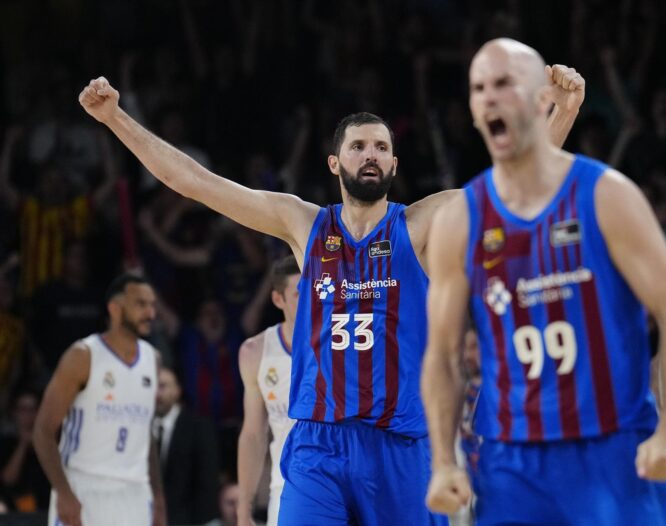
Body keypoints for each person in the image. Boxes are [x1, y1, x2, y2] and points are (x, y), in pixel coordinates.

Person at [77, 64, 583, 525]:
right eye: (359, 147)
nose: (371, 155)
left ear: (394, 163)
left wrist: (563, 112)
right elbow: (193, 182)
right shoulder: (303, 225)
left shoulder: (421, 223)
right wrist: (116, 118)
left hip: (400, 443)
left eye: (381, 148)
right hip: (320, 442)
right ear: (334, 163)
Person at [421, 38, 666, 526]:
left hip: (612, 449)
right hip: (511, 463)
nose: (489, 96)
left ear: (538, 99)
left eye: (504, 84)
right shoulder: (460, 220)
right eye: (479, 88)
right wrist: (444, 460)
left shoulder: (607, 196)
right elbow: (443, 355)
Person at [32, 273, 166, 526]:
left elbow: (145, 434)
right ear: (115, 309)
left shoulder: (153, 360)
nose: (151, 313)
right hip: (84, 487)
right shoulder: (82, 356)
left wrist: (158, 497)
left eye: (152, 305)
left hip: (135, 491)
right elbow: (42, 431)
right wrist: (63, 492)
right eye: (141, 304)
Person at [237, 256, 300, 526]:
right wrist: (244, 505)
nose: (310, 300)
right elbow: (253, 434)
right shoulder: (256, 352)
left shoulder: (341, 342)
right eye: (299, 294)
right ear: (278, 299)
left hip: (337, 486)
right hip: (285, 485)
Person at [154, 366, 220, 526]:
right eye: (152, 385)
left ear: (177, 390)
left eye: (162, 386)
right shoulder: (139, 427)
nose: (156, 393)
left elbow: (207, 482)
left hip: (188, 519)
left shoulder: (199, 427)